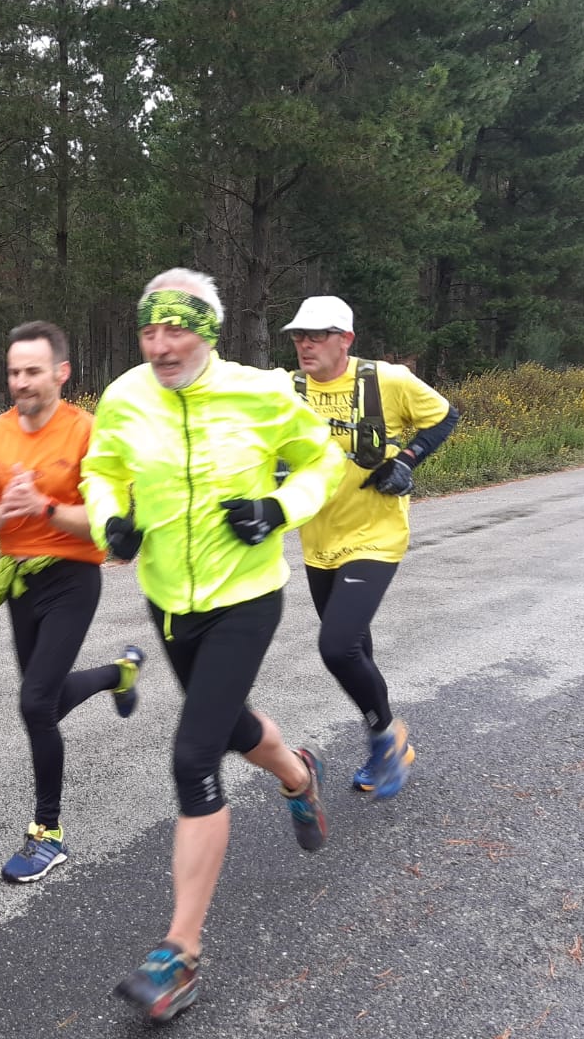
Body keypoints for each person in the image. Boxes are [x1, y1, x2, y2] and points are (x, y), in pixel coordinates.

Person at [81, 269, 348, 1021]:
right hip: (171, 601)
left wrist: (278, 506)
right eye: (148, 330)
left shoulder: (260, 392)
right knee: (228, 726)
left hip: (244, 599)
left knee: (194, 753)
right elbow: (100, 472)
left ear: (207, 330)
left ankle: (179, 955)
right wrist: (111, 520)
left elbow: (323, 461)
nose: (160, 345)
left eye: (175, 329)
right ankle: (298, 775)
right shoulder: (124, 396)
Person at [0, 320, 146, 884]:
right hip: (19, 579)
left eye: (33, 371)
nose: (21, 381)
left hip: (72, 576)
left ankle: (47, 833)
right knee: (44, 699)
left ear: (61, 373)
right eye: (14, 371)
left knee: (35, 703)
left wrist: (41, 506)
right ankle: (120, 673)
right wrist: (5, 513)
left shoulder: (88, 432)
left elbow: (102, 527)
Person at [282, 294, 459, 799]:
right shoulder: (287, 389)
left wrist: (406, 460)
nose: (304, 344)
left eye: (316, 336)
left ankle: (385, 737)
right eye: (298, 335)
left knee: (335, 646)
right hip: (318, 538)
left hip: (376, 536)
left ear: (346, 339)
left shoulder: (388, 380)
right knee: (355, 646)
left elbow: (446, 417)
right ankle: (384, 748)